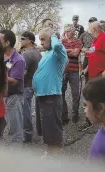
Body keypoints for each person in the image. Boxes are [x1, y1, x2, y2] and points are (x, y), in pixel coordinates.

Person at [33, 27, 68, 159]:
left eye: (43, 39)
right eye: (40, 39)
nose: (41, 42)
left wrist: (53, 36)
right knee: (46, 126)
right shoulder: (47, 53)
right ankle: (51, 151)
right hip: (42, 95)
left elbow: (58, 46)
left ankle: (55, 156)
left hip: (51, 95)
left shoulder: (58, 51)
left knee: (52, 125)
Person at [80, 21, 105, 132]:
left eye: (90, 27)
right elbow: (92, 54)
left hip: (101, 74)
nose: (89, 29)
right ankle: (95, 120)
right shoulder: (95, 40)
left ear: (94, 29)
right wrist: (86, 69)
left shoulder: (104, 37)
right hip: (93, 75)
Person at [0, 29, 26, 143]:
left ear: (7, 43)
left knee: (15, 130)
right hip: (2, 96)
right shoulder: (0, 56)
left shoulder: (19, 60)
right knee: (3, 127)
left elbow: (14, 81)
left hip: (14, 97)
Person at [20, 31, 42, 143]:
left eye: (22, 38)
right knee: (34, 109)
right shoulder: (37, 52)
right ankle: (39, 131)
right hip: (35, 84)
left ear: (29, 40)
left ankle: (27, 134)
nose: (20, 40)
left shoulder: (26, 54)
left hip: (27, 85)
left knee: (25, 111)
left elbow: (22, 73)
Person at [61, 24, 83, 125]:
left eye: (69, 31)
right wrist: (70, 51)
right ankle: (64, 115)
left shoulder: (78, 41)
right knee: (61, 93)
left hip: (74, 71)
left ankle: (75, 113)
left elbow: (76, 54)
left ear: (74, 32)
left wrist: (65, 52)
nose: (68, 33)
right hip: (63, 71)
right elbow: (59, 53)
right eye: (66, 31)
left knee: (75, 94)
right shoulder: (62, 42)